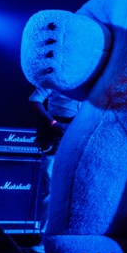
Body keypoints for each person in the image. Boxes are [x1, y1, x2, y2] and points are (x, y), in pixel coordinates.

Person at [28, 85, 81, 237]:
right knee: (50, 186)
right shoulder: (53, 78)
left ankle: (72, 235)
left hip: (78, 132)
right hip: (56, 132)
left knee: (76, 186)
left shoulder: (87, 78)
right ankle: (45, 236)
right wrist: (53, 123)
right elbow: (34, 100)